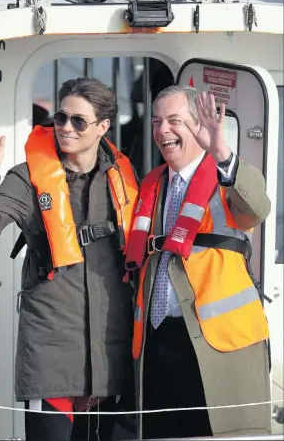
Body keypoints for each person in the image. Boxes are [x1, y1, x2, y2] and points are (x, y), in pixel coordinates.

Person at [0, 77, 139, 441]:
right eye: (60, 118)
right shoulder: (28, 177)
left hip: (113, 356)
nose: (66, 128)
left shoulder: (124, 178)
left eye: (79, 121)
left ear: (103, 127)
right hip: (50, 356)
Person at [124, 86, 272, 439]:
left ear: (198, 127)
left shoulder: (225, 177)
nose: (162, 131)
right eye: (157, 122)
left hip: (216, 343)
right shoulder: (149, 184)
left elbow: (258, 209)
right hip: (157, 340)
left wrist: (221, 152)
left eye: (175, 121)